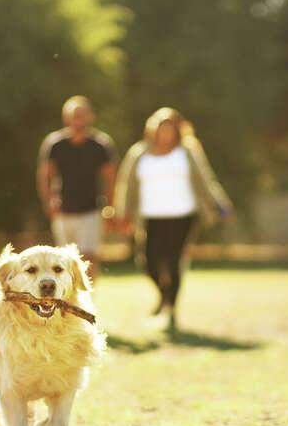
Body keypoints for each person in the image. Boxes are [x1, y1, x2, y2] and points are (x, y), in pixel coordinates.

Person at [113, 107, 233, 329]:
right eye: (162, 128)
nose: (166, 132)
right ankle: (164, 295)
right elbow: (126, 184)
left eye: (170, 128)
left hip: (182, 214)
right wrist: (122, 213)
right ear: (154, 129)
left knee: (174, 260)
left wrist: (221, 203)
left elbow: (206, 179)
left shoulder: (187, 152)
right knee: (148, 261)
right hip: (150, 215)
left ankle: (171, 309)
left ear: (177, 130)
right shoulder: (139, 153)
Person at [37, 95, 117, 281]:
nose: (78, 120)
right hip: (63, 211)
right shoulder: (55, 144)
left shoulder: (101, 145)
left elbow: (111, 179)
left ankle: (88, 295)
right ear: (66, 118)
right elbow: (45, 176)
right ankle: (67, 295)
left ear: (91, 117)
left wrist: (110, 207)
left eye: (82, 115)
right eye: (74, 116)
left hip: (91, 210)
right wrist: (48, 202)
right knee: (63, 260)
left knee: (89, 257)